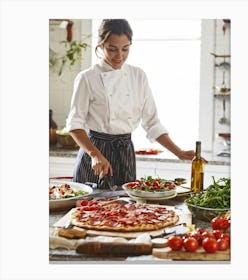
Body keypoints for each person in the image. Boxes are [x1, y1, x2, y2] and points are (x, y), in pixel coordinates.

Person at [66, 19, 196, 187]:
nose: (119, 55)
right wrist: (95, 155)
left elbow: (152, 123)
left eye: (125, 49)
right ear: (101, 45)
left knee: (126, 209)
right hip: (96, 153)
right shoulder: (87, 78)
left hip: (125, 152)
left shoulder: (138, 76)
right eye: (112, 49)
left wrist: (178, 152)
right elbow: (74, 125)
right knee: (88, 209)